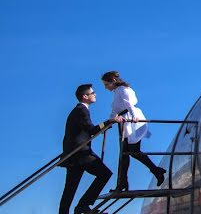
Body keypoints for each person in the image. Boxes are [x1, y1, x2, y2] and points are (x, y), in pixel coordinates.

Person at [59, 83, 122, 214]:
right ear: (85, 96)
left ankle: (68, 211)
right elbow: (92, 129)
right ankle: (82, 205)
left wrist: (108, 123)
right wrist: (110, 121)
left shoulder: (79, 110)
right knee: (104, 174)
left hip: (74, 155)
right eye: (92, 93)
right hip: (81, 154)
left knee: (70, 189)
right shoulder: (81, 110)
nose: (95, 94)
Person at [100, 71, 165, 191]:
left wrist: (135, 117)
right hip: (125, 122)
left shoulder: (122, 90)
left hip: (130, 121)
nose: (106, 87)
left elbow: (128, 104)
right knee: (125, 154)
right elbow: (115, 110)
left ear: (113, 81)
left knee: (131, 152)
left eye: (106, 84)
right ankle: (123, 183)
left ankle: (154, 171)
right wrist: (109, 122)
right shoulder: (117, 92)